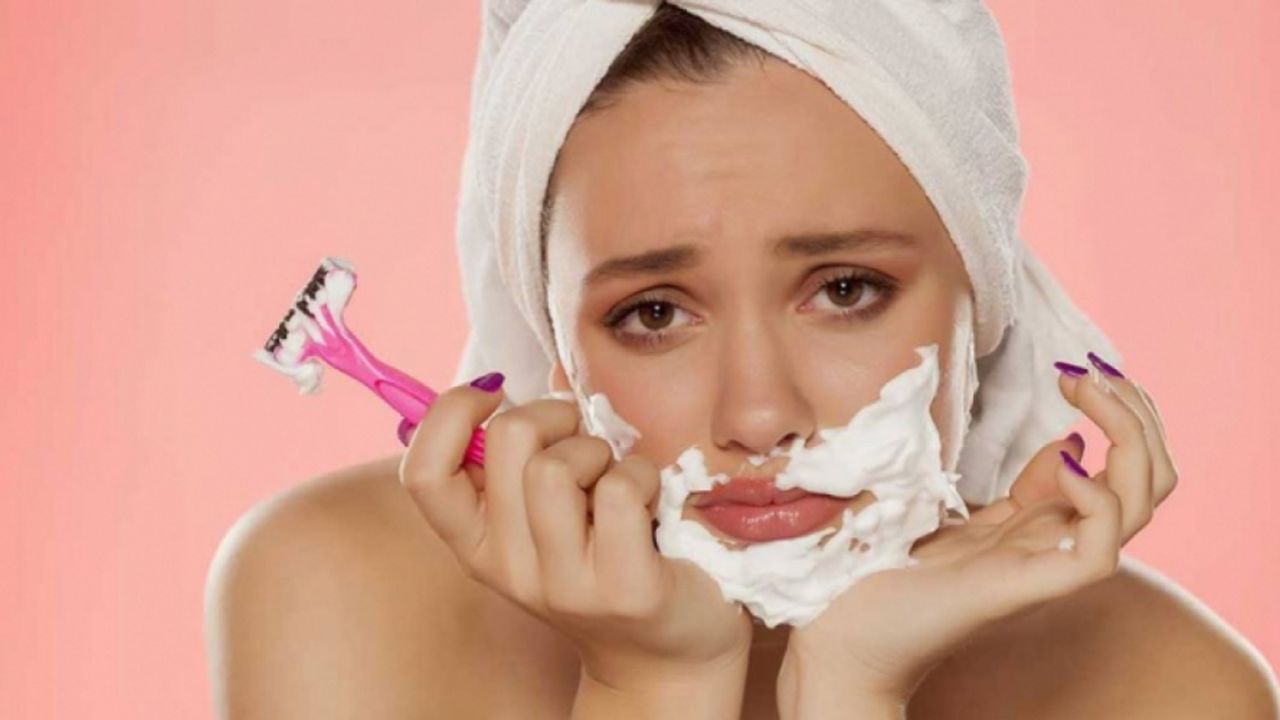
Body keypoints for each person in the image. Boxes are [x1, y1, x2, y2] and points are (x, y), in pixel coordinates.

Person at [205, 4, 1278, 718]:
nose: (759, 416)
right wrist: (652, 684)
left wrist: (850, 686)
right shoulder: (338, 587)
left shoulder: (1170, 691)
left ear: (984, 298)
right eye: (654, 313)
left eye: (845, 291)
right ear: (557, 345)